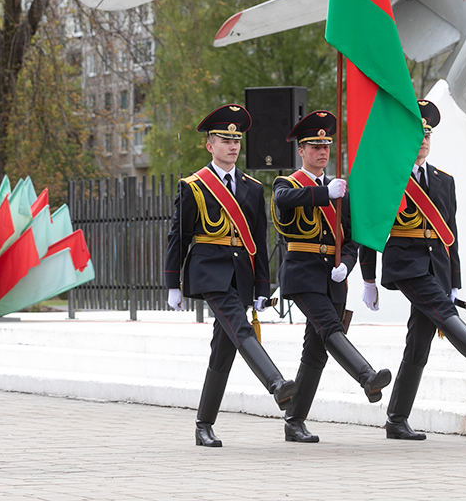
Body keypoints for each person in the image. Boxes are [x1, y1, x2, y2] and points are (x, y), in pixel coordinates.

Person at [359, 99, 466, 441]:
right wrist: (368, 277)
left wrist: (453, 280)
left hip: (435, 268)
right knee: (440, 311)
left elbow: (449, 234)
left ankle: (396, 419)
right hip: (405, 265)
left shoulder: (444, 180)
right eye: (416, 134)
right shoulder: (389, 177)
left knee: (419, 344)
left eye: (427, 134)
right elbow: (370, 229)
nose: (423, 140)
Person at [164, 104, 297, 448]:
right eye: (225, 139)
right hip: (209, 270)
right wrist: (171, 283)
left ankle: (203, 425)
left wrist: (262, 287)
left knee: (223, 350)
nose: (233, 145)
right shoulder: (193, 185)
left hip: (240, 273)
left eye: (237, 139)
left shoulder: (252, 188)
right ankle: (277, 383)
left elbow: (258, 237)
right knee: (239, 327)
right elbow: (178, 235)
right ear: (210, 145)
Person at [271, 110, 391, 443]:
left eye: (325, 146)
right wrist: (325, 194)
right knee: (331, 328)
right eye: (314, 146)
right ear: (301, 151)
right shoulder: (290, 183)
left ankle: (294, 421)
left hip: (333, 278)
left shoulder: (340, 190)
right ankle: (366, 376)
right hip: (302, 274)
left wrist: (348, 265)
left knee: (316, 351)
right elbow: (284, 200)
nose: (322, 152)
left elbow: (352, 237)